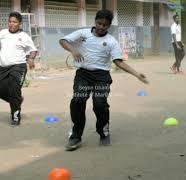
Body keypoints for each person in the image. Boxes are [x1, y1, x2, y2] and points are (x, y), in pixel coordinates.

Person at [59, 10, 148, 151]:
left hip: (101, 77)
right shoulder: (83, 33)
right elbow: (63, 41)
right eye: (99, 23)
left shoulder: (111, 41)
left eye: (105, 25)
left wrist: (136, 74)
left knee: (99, 104)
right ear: (95, 21)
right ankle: (76, 136)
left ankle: (104, 132)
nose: (101, 27)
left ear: (109, 26)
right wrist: (73, 50)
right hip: (83, 75)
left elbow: (118, 62)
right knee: (77, 101)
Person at [0, 12, 37, 126]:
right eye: (10, 21)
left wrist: (31, 59)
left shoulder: (24, 36)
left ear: (19, 24)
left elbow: (33, 50)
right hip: (2, 67)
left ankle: (15, 116)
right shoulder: (2, 33)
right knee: (5, 91)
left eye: (14, 22)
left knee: (14, 89)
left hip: (18, 67)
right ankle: (17, 100)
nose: (11, 24)